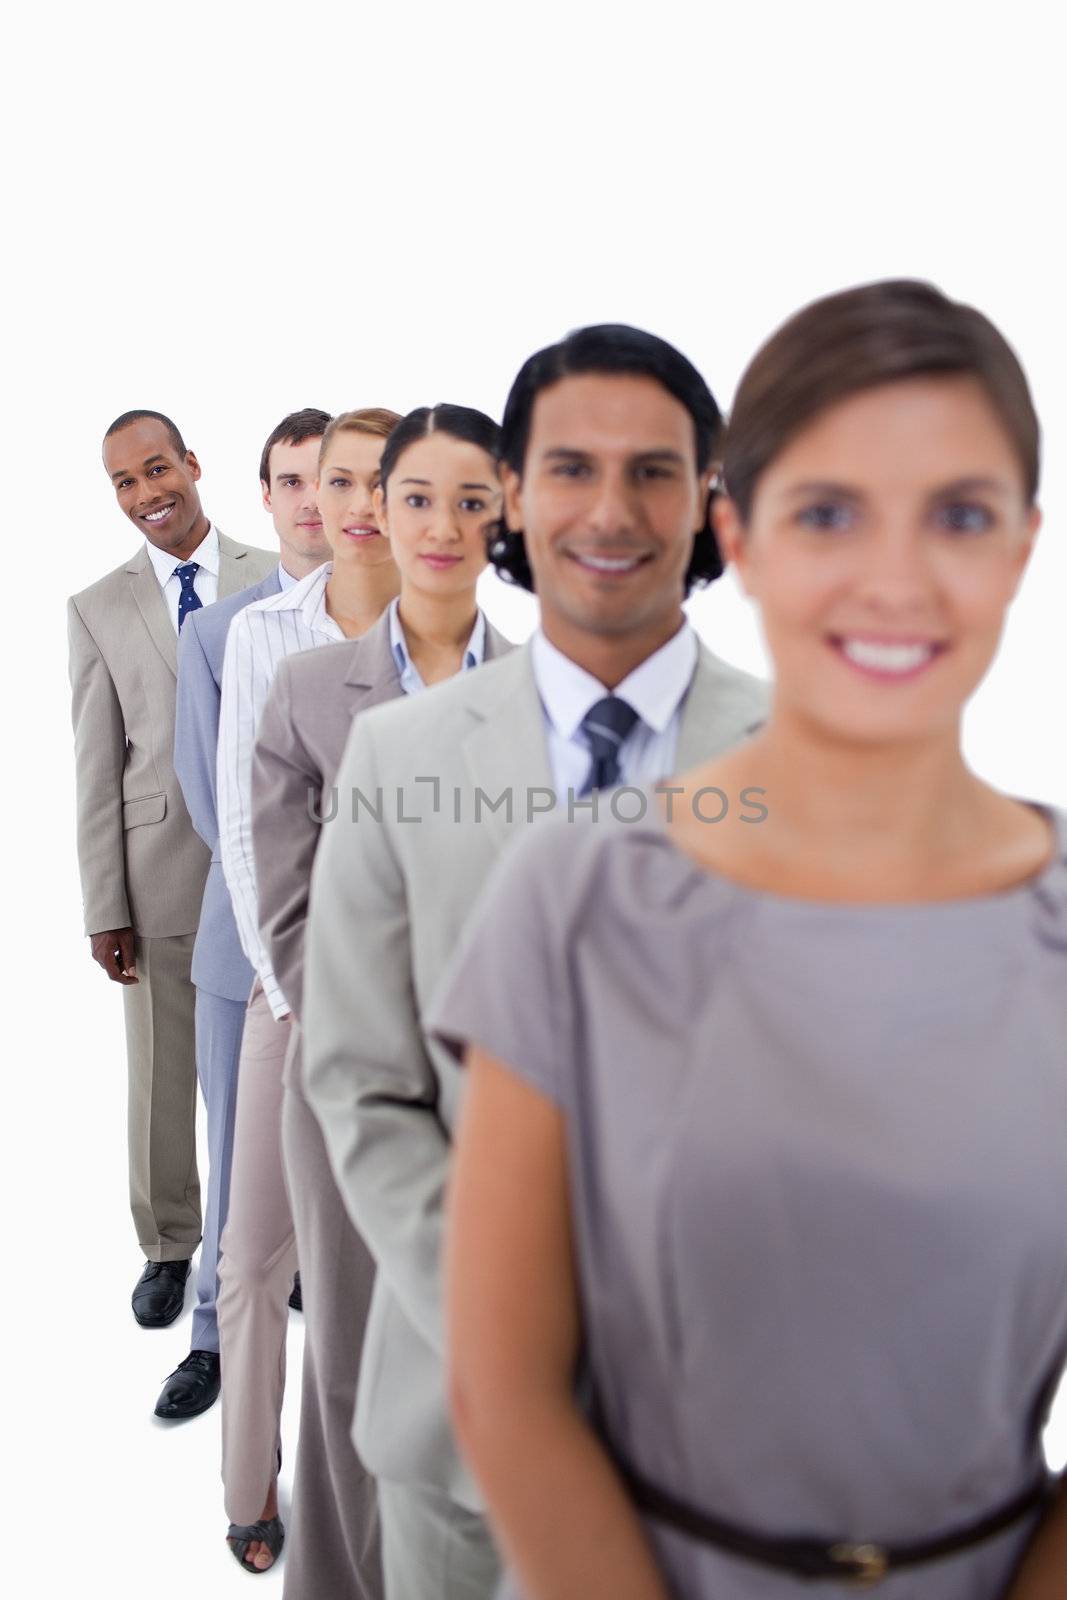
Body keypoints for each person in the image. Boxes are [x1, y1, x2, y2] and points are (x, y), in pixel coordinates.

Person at [432, 281, 1067, 1600]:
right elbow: (503, 1385)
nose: (891, 577)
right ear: (740, 532)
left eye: (954, 514)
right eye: (828, 511)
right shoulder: (578, 896)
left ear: (1020, 547)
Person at [302, 326, 769, 1600]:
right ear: (512, 495)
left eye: (655, 471)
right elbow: (358, 1076)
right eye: (568, 468)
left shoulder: (812, 763)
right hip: (460, 1437)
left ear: (712, 500)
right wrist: (514, 1311)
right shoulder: (397, 762)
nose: (610, 511)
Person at [251, 405, 513, 1598]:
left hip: (516, 1091)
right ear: (376, 514)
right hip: (351, 1088)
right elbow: (290, 912)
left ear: (503, 511)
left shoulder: (554, 693)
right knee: (356, 1368)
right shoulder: (308, 694)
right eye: (415, 498)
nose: (440, 524)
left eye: (469, 498)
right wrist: (371, 1061)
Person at [216, 406, 401, 1575]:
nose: (357, 501)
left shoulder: (439, 630)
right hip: (292, 992)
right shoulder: (261, 640)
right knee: (254, 1258)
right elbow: (245, 823)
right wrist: (290, 985)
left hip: (418, 1005)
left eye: (383, 479)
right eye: (337, 481)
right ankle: (249, 1486)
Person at [68, 411, 275, 1331]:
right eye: (124, 482)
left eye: (157, 470)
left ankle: (274, 1234)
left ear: (192, 465)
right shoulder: (96, 608)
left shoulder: (273, 574)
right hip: (155, 871)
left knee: (268, 1070)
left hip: (268, 862)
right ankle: (167, 1244)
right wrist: (102, 904)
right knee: (161, 1075)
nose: (147, 494)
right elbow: (94, 763)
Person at [159, 407, 331, 1424]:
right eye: (294, 481)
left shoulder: (397, 624)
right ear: (263, 498)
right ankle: (213, 1333)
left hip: (373, 942)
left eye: (333, 479)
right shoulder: (218, 631)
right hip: (247, 938)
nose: (314, 501)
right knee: (238, 1141)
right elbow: (209, 792)